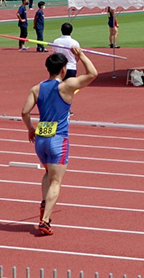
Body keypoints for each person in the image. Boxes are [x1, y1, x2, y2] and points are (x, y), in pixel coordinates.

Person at [21, 47, 98, 236]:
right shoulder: (67, 85)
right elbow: (93, 73)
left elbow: (24, 112)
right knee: (56, 181)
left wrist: (30, 128)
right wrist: (81, 55)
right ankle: (45, 220)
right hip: (58, 139)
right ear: (63, 69)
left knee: (48, 174)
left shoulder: (36, 88)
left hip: (41, 139)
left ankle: (45, 204)